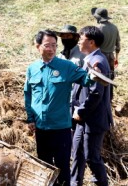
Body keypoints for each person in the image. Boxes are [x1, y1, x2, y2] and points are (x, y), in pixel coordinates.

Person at [24, 30, 98, 186]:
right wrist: (30, 119)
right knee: (44, 168)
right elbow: (28, 95)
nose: (51, 49)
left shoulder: (66, 66)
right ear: (38, 47)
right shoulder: (32, 69)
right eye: (47, 45)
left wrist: (93, 75)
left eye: (54, 45)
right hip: (41, 128)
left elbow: (86, 79)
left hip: (61, 128)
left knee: (62, 169)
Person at [70, 26, 113, 186]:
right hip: (84, 119)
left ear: (92, 42)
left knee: (91, 157)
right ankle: (75, 183)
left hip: (93, 120)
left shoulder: (98, 62)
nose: (79, 42)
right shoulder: (90, 59)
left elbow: (96, 93)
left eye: (82, 39)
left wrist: (81, 110)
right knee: (78, 153)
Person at [91, 7, 120, 100]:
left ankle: (100, 98)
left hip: (100, 57)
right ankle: (109, 97)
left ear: (98, 18)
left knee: (99, 78)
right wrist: (116, 58)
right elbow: (118, 45)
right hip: (111, 56)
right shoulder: (114, 28)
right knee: (110, 77)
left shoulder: (98, 29)